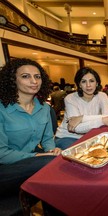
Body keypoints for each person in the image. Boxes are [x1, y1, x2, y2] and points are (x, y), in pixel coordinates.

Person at [0, 58, 61, 209]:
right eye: (25, 76)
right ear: (13, 80)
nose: (34, 81)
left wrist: (51, 150)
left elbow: (47, 139)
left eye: (37, 76)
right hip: (4, 167)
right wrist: (39, 157)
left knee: (60, 164)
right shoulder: (2, 109)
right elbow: (1, 153)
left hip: (34, 160)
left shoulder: (44, 108)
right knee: (51, 164)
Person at [55, 67, 108, 150]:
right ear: (79, 84)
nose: (88, 85)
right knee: (83, 156)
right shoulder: (70, 98)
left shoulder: (102, 96)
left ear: (97, 83)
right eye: (83, 81)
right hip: (67, 137)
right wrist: (102, 120)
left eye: (92, 81)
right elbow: (77, 128)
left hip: (89, 136)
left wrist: (82, 118)